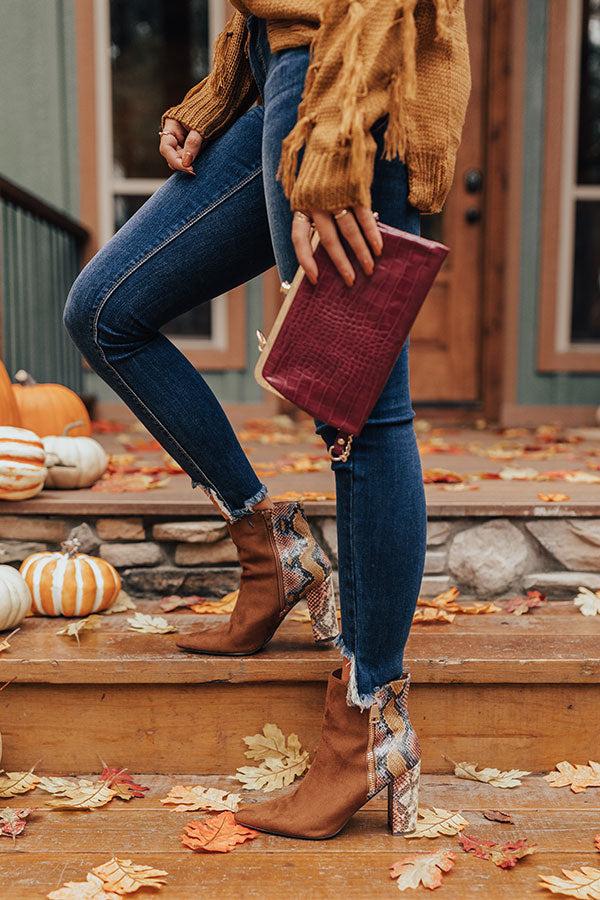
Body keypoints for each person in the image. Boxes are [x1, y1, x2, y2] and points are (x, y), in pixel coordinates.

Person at [64, 0, 470, 839]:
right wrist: (219, 94)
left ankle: (368, 724)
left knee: (358, 413)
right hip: (283, 84)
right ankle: (273, 551)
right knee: (106, 309)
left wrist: (333, 149)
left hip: (355, 88)